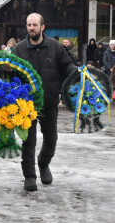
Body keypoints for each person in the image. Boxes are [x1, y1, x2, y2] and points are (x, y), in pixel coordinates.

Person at [11, 13, 77, 192]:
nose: (31, 28)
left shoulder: (55, 47)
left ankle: (43, 163)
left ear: (42, 27)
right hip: (27, 105)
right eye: (28, 25)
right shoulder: (18, 49)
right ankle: (29, 177)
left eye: (34, 25)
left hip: (49, 102)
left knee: (51, 139)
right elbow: (12, 75)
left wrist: (79, 75)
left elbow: (67, 67)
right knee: (29, 141)